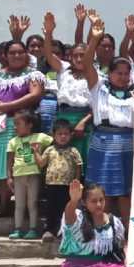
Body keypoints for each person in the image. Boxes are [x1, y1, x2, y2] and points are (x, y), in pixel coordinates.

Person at [71, 12, 134, 221]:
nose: (123, 77)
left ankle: (125, 234)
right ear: (110, 73)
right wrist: (94, 39)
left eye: (126, 73)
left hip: (129, 145)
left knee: (126, 193)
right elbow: (87, 64)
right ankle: (102, 230)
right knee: (102, 192)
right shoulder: (99, 87)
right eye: (119, 73)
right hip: (103, 144)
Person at [0, 39, 45, 217]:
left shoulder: (33, 74)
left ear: (26, 54)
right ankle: (4, 205)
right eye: (12, 53)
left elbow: (35, 94)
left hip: (20, 125)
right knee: (2, 166)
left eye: (20, 52)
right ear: (5, 56)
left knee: (22, 163)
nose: (16, 56)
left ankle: (26, 207)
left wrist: (8, 106)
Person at [40, 20, 93, 172]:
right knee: (61, 159)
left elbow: (98, 104)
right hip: (64, 119)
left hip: (85, 119)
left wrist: (83, 122)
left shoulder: (95, 74)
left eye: (83, 55)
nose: (79, 59)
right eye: (75, 56)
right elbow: (48, 54)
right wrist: (49, 33)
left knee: (82, 159)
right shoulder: (64, 69)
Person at [5, 110, 52, 239]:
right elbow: (9, 161)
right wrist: (9, 177)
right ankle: (18, 229)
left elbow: (55, 141)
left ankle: (33, 229)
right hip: (18, 176)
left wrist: (44, 157)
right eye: (14, 124)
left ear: (30, 125)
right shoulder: (13, 141)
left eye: (18, 123)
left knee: (33, 203)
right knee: (19, 204)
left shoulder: (40, 137)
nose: (15, 127)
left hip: (34, 175)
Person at [35, 119, 82, 241]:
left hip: (67, 186)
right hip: (51, 185)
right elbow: (41, 163)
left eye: (66, 134)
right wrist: (35, 152)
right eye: (59, 134)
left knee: (64, 208)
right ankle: (49, 230)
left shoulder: (73, 151)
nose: (63, 136)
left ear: (71, 135)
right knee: (50, 208)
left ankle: (63, 231)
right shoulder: (50, 150)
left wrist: (77, 183)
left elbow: (78, 166)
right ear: (53, 135)